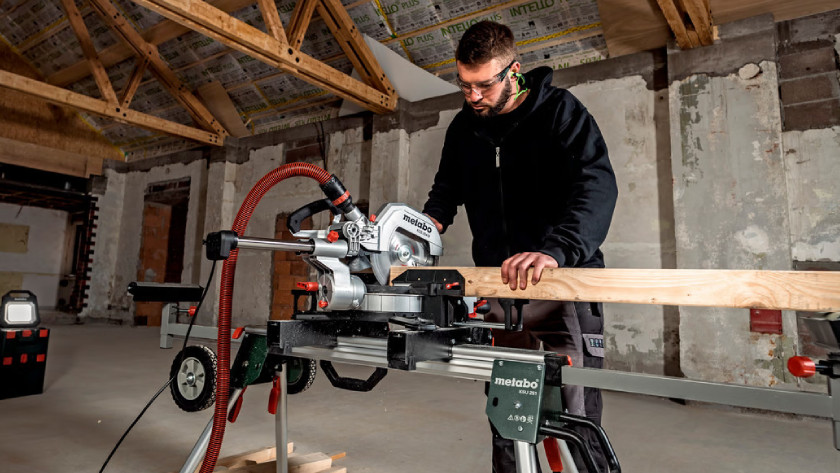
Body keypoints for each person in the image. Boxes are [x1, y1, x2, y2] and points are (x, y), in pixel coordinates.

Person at [422, 21, 618, 473]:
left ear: (515, 70)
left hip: (563, 283)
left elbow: (597, 186)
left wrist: (556, 251)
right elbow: (446, 190)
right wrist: (422, 227)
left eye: (484, 85)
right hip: (498, 288)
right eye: (464, 85)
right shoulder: (463, 128)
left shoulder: (560, 113)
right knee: (508, 412)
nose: (473, 97)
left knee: (575, 412)